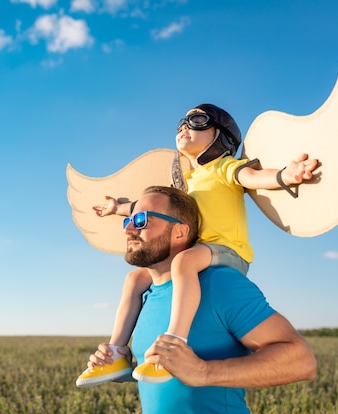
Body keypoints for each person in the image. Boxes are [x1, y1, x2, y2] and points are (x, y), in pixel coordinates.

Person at [76, 104, 319, 387]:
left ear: (222, 136)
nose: (184, 128)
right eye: (181, 124)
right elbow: (145, 207)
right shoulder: (186, 183)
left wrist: (284, 176)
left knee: (183, 262)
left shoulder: (223, 168)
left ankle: (175, 339)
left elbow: (252, 178)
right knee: (134, 278)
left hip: (228, 250)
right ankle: (117, 353)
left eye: (197, 121)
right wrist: (116, 206)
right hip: (198, 253)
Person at [83, 185, 317, 414]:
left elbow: (301, 361)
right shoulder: (146, 294)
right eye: (128, 221)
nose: (129, 229)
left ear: (180, 233)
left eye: (142, 220)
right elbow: (171, 377)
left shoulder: (219, 284)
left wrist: (204, 372)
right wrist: (127, 370)